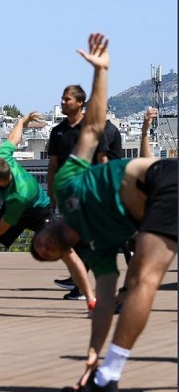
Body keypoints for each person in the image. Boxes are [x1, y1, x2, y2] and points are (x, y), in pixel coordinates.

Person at [31, 33, 176, 392]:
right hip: (162, 202)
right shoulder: (98, 250)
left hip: (163, 182)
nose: (45, 248)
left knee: (143, 278)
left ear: (47, 226)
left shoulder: (66, 186)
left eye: (40, 244)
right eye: (46, 255)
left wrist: (101, 72)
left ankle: (108, 379)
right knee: (138, 281)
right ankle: (104, 374)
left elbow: (93, 129)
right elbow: (103, 305)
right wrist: (90, 356)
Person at [0, 111, 95, 317]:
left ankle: (92, 302)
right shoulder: (1, 158)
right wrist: (22, 121)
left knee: (67, 252)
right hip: (12, 210)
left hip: (37, 211)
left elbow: (3, 227)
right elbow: (13, 138)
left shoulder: (18, 194)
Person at [47, 84, 122, 299]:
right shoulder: (57, 131)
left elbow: (103, 162)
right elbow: (52, 165)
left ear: (80, 103)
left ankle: (82, 287)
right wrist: (52, 196)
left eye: (67, 99)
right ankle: (82, 284)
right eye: (62, 99)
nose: (62, 102)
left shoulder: (93, 130)